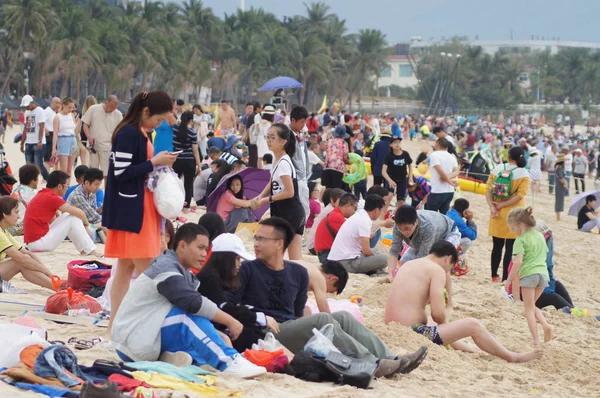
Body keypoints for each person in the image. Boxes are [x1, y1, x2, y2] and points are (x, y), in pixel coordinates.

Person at [227, 217, 429, 378]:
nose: (256, 244)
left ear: (280, 244)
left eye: (262, 239)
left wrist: (308, 338)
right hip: (265, 332)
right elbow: (231, 305)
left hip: (288, 329)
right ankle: (374, 363)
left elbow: (297, 317)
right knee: (324, 319)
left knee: (343, 317)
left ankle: (390, 357)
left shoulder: (297, 273)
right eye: (256, 238)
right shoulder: (247, 270)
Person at [111, 223, 267, 378]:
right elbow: (193, 302)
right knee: (186, 316)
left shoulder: (182, 272)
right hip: (132, 340)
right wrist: (230, 321)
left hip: (148, 334)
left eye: (206, 249)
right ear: (183, 246)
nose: (204, 254)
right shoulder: (165, 267)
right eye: (200, 248)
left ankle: (170, 357)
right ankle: (229, 361)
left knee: (203, 327)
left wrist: (219, 334)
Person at [385, 240, 541, 363]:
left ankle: (471, 349)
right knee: (472, 325)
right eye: (449, 268)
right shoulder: (436, 270)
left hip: (390, 327)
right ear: (448, 259)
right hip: (412, 330)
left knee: (436, 325)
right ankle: (512, 356)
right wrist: (446, 314)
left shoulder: (410, 264)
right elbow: (438, 314)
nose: (447, 273)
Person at [103, 91, 179, 329]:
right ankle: (150, 322)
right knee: (148, 272)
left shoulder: (139, 132)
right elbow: (121, 173)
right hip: (133, 210)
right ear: (146, 112)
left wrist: (155, 163)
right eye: (157, 120)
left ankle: (115, 324)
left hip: (136, 207)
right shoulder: (128, 133)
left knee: (125, 268)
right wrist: (154, 162)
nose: (158, 124)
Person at [198, 233, 278, 352]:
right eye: (237, 259)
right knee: (249, 334)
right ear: (226, 259)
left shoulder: (214, 277)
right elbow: (224, 309)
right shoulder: (209, 279)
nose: (239, 263)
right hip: (207, 334)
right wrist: (259, 317)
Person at [252, 124, 305, 260]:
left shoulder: (283, 163)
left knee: (275, 254)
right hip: (289, 211)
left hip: (289, 212)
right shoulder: (279, 160)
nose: (268, 140)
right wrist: (260, 196)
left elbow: (290, 192)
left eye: (272, 137)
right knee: (295, 259)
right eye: (267, 137)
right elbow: (272, 182)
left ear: (283, 142)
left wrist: (266, 200)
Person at [505, 208, 553, 347]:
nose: (511, 230)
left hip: (529, 275)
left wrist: (509, 278)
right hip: (543, 275)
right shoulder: (539, 236)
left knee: (528, 310)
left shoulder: (520, 239)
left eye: (512, 227)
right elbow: (545, 256)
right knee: (531, 305)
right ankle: (545, 325)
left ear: (520, 225)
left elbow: (518, 262)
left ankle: (536, 340)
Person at [23, 170, 99, 256]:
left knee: (67, 216)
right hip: (38, 244)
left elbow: (55, 217)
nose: (67, 188)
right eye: (67, 186)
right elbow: (79, 213)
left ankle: (85, 249)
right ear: (59, 186)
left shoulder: (44, 193)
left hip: (33, 243)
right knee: (73, 218)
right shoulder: (51, 197)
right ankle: (90, 250)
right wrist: (86, 225)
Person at [485, 146, 530, 282]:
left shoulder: (498, 168)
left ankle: (494, 275)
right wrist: (504, 205)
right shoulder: (523, 173)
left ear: (508, 155)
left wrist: (493, 206)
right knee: (510, 248)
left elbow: (487, 189)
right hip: (514, 213)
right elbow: (520, 195)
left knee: (496, 246)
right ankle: (505, 277)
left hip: (496, 213)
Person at [0, 197, 55, 291]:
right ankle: (58, 286)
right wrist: (49, 274)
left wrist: (46, 272)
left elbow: (28, 254)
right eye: (16, 212)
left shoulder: (4, 231)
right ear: (5, 214)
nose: (19, 216)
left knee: (25, 261)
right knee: (19, 262)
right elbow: (22, 258)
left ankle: (57, 286)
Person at [327, 195, 388, 274]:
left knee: (376, 251)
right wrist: (374, 257)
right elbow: (366, 251)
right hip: (344, 263)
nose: (381, 213)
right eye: (381, 210)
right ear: (376, 210)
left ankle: (373, 268)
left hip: (338, 259)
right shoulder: (364, 221)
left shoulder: (360, 215)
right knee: (385, 259)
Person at [533, 221, 574, 310]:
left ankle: (573, 310)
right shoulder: (526, 253)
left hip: (538, 288)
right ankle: (574, 312)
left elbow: (547, 266)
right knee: (553, 296)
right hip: (529, 294)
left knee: (557, 284)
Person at [82, 95, 123, 177]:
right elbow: (85, 124)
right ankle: (94, 190)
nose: (112, 110)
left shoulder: (118, 114)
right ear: (106, 103)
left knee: (107, 174)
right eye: (111, 107)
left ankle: (107, 190)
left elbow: (120, 131)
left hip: (108, 147)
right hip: (93, 146)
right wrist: (89, 136)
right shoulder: (93, 109)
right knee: (93, 173)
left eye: (114, 108)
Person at [314, 193, 358, 264]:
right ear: (348, 206)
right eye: (355, 208)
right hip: (326, 254)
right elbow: (352, 238)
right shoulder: (337, 216)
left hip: (325, 252)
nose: (355, 212)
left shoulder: (335, 213)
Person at [172, 110, 202, 213]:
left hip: (176, 160)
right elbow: (195, 151)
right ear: (191, 120)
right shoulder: (192, 133)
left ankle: (174, 205)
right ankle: (185, 209)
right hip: (189, 162)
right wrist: (199, 165)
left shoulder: (175, 129)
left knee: (174, 184)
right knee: (188, 186)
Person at [66, 168, 105, 241]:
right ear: (87, 183)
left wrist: (103, 208)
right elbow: (94, 217)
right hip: (75, 228)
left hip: (88, 223)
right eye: (96, 184)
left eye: (99, 184)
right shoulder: (78, 196)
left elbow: (93, 212)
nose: (98, 187)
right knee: (105, 225)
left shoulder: (91, 192)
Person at [288, 106, 311, 222]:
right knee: (299, 210)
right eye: (301, 122)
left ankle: (300, 235)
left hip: (303, 176)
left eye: (304, 122)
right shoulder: (287, 136)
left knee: (305, 209)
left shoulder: (300, 135)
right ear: (293, 120)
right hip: (295, 178)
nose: (303, 125)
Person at [306, 188, 345, 255]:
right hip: (315, 246)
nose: (343, 203)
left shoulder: (330, 208)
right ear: (332, 200)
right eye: (340, 201)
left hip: (313, 244)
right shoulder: (331, 211)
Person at [19, 95, 49, 181]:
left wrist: (39, 140)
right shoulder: (26, 112)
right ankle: (29, 182)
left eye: (27, 106)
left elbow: (41, 126)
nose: (26, 108)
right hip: (28, 142)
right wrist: (22, 143)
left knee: (38, 164)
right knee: (28, 166)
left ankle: (49, 180)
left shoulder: (40, 111)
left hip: (38, 142)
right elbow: (25, 128)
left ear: (32, 103)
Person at [426, 137, 458, 214]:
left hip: (437, 191)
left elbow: (440, 170)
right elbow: (457, 171)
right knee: (443, 216)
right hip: (449, 191)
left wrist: (448, 180)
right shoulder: (451, 156)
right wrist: (448, 179)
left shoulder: (434, 155)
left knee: (430, 215)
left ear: (437, 144)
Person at [8, 164, 40, 236]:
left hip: (10, 227)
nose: (38, 180)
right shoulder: (33, 193)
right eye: (37, 178)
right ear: (33, 181)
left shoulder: (15, 191)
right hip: (22, 227)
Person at [382, 136, 413, 206]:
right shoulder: (388, 156)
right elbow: (383, 171)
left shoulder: (405, 154)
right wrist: (389, 180)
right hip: (391, 178)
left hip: (402, 179)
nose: (397, 144)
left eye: (399, 142)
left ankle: (398, 215)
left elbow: (410, 165)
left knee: (401, 201)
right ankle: (382, 216)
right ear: (390, 145)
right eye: (395, 142)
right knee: (389, 196)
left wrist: (410, 177)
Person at [51, 97, 78, 176]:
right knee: (64, 169)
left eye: (72, 107)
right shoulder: (57, 117)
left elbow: (75, 129)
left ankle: (67, 187)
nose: (70, 109)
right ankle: (63, 187)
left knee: (69, 170)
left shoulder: (72, 115)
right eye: (69, 107)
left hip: (73, 140)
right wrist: (54, 148)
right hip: (63, 140)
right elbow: (55, 133)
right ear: (63, 105)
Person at [44, 97, 61, 169]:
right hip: (49, 135)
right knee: (48, 157)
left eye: (59, 103)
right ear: (52, 103)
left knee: (56, 158)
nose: (58, 105)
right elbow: (41, 121)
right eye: (56, 103)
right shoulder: (47, 111)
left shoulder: (55, 113)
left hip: (55, 134)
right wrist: (45, 129)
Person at [554, 154, 568, 221]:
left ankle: (558, 216)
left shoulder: (558, 166)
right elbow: (561, 177)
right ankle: (558, 217)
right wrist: (565, 183)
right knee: (559, 200)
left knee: (559, 200)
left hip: (559, 185)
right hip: (560, 185)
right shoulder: (559, 167)